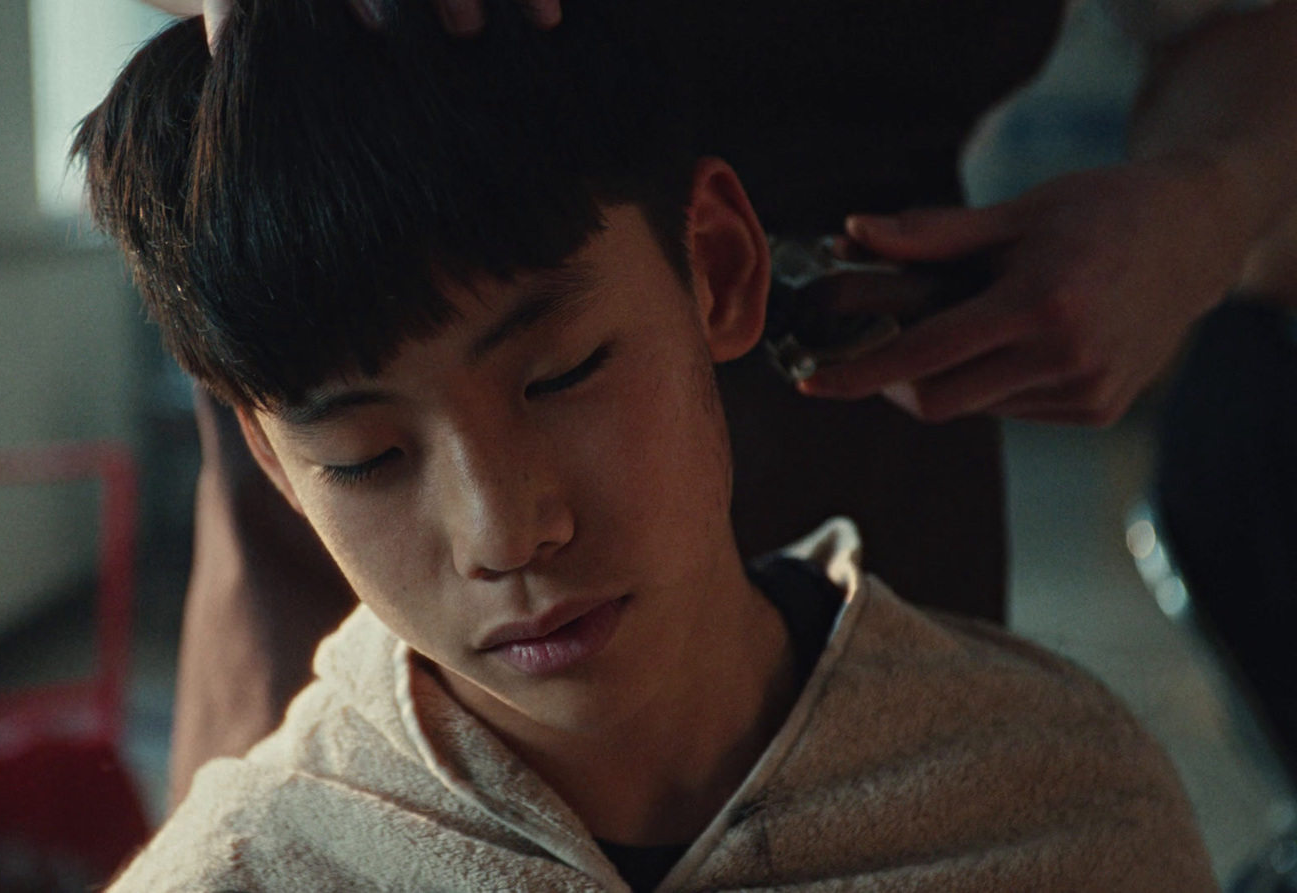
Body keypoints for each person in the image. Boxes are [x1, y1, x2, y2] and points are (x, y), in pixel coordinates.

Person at [76, 4, 1218, 888]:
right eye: (365, 454)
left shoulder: (1052, 809)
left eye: (562, 372)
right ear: (276, 463)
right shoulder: (247, 864)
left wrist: (1204, 193)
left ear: (718, 269)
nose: (505, 529)